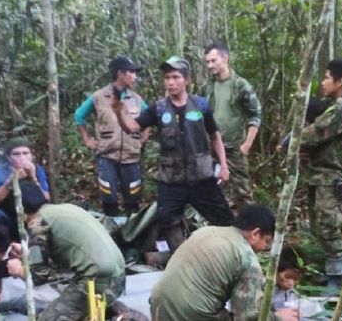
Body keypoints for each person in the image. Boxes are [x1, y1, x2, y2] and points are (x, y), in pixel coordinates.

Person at [114, 56, 234, 251]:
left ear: (187, 80)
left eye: (176, 77)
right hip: (171, 180)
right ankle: (182, 257)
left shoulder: (201, 105)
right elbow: (133, 127)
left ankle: (229, 256)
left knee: (224, 220)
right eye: (167, 77)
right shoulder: (159, 108)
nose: (170, 82)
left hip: (201, 177)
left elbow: (214, 136)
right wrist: (118, 110)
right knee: (168, 220)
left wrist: (224, 166)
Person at [7, 180, 144, 321]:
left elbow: (38, 276)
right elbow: (65, 254)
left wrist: (18, 270)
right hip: (118, 277)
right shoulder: (65, 209)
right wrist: (27, 254)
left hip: (97, 282)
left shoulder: (38, 224)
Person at [149, 205, 298, 321]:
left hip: (159, 307)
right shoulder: (247, 258)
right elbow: (247, 317)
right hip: (190, 315)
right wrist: (278, 318)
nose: (264, 248)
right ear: (255, 234)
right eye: (265, 241)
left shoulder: (206, 231)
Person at [298, 60, 342, 289]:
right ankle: (331, 271)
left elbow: (314, 134)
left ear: (340, 81)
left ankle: (337, 280)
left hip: (334, 177)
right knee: (318, 224)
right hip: (322, 174)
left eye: (327, 77)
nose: (322, 82)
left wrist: (293, 138)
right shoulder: (335, 104)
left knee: (329, 225)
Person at [74, 56, 150, 216]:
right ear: (120, 74)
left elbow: (148, 118)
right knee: (108, 198)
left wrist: (143, 139)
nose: (135, 77)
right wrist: (87, 139)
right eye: (132, 73)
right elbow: (79, 116)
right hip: (107, 156)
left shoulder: (136, 99)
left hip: (131, 157)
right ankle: (111, 232)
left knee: (133, 198)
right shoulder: (99, 97)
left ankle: (132, 233)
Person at [201, 43, 262, 210]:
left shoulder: (241, 86)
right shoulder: (206, 86)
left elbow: (255, 114)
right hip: (211, 148)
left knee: (242, 192)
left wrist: (247, 144)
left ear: (225, 58)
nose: (210, 65)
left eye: (213, 61)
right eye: (207, 62)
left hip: (235, 148)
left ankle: (250, 230)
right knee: (211, 190)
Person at [0, 137, 50, 241]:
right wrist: (9, 183)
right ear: (9, 157)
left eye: (25, 153)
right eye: (16, 154)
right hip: (9, 217)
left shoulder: (37, 170)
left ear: (31, 156)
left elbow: (46, 199)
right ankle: (2, 248)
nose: (21, 157)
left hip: (33, 218)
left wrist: (33, 178)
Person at [272, 247, 303, 312]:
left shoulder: (293, 294)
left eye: (296, 279)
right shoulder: (263, 291)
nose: (291, 283)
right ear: (276, 271)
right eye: (288, 276)